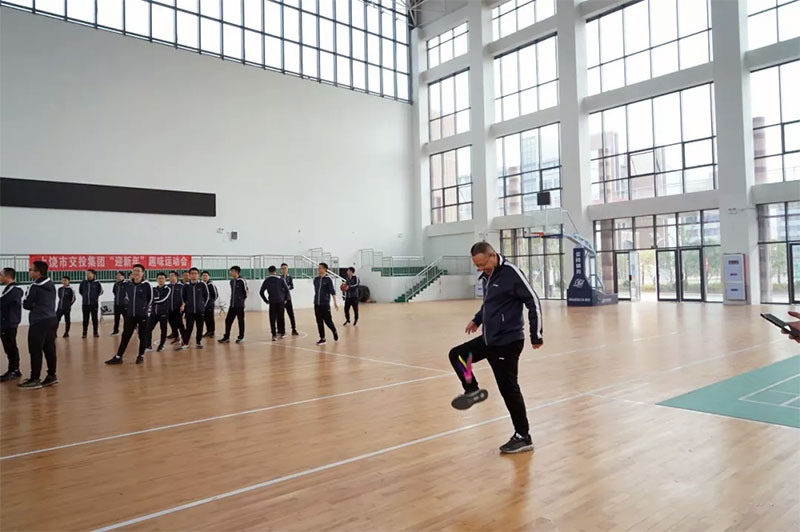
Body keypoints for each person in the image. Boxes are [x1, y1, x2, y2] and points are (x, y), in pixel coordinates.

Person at [448, 242, 542, 455]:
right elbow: (491, 303)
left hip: (507, 342)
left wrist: (536, 334)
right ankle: (472, 390)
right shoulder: (488, 276)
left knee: (509, 389)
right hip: (490, 340)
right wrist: (477, 319)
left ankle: (523, 436)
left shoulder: (511, 273)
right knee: (458, 355)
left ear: (492, 255)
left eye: (482, 264)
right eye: (477, 266)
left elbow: (533, 301)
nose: (480, 269)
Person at [18, 261, 58, 389]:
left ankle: (35, 379)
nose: (29, 271)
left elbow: (26, 304)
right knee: (50, 348)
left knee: (35, 350)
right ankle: (52, 375)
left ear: (38, 272)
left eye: (31, 269)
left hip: (38, 321)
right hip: (52, 319)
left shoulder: (34, 287)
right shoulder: (51, 285)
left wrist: (33, 305)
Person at [106, 264, 153, 365]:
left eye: (138, 271)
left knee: (142, 336)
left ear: (142, 273)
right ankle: (118, 357)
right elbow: (126, 297)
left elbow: (151, 299)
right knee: (125, 336)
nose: (136, 273)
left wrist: (144, 308)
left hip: (142, 315)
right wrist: (128, 308)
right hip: (130, 315)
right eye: (134, 270)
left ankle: (140, 356)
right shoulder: (129, 285)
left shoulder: (146, 285)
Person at [0, 268, 23, 382]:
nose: (0, 277)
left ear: (8, 276)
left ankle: (14, 370)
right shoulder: (10, 289)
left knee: (10, 347)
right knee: (9, 346)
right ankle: (13, 370)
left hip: (9, 322)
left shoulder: (14, 289)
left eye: (1, 275)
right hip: (6, 322)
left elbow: (2, 302)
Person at [181, 267, 209, 350]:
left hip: (200, 311)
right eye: (192, 273)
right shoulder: (186, 286)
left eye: (195, 273)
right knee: (189, 327)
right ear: (189, 275)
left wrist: (202, 306)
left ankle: (198, 342)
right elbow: (183, 297)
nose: (194, 275)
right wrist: (186, 306)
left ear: (198, 275)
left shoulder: (202, 285)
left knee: (200, 327)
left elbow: (207, 297)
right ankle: (186, 343)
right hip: (189, 311)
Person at [260, 266, 290, 341]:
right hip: (280, 301)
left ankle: (274, 335)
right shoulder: (280, 279)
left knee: (272, 318)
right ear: (275, 271)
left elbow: (261, 292)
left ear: (269, 271)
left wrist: (266, 300)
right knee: (281, 317)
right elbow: (287, 290)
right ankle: (282, 332)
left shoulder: (267, 280)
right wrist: (285, 299)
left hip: (272, 301)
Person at [219, 266, 247, 344]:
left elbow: (246, 292)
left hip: (240, 305)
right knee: (228, 320)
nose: (231, 273)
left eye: (232, 271)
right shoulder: (231, 281)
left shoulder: (242, 281)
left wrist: (241, 301)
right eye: (230, 271)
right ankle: (226, 337)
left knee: (240, 321)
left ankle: (240, 337)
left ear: (236, 272)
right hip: (232, 305)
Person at [313, 263, 338, 345]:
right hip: (317, 304)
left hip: (325, 304)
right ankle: (322, 338)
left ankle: (334, 330)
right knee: (319, 322)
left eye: (320, 268)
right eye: (318, 267)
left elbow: (332, 292)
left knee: (328, 321)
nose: (318, 269)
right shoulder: (316, 279)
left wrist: (335, 303)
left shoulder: (328, 280)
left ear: (325, 269)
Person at [149, 273, 171, 352]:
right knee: (148, 329)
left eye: (162, 278)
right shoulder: (153, 289)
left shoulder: (167, 289)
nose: (161, 280)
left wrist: (153, 301)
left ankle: (161, 345)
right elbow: (149, 298)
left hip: (163, 313)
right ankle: (148, 345)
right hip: (153, 313)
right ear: (157, 279)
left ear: (165, 280)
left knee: (163, 330)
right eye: (159, 278)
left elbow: (163, 299)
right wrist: (152, 301)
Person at [79, 269, 103, 338]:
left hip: (94, 304)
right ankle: (84, 333)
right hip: (85, 304)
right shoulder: (83, 283)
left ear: (93, 274)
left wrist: (94, 297)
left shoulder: (97, 283)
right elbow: (81, 291)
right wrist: (85, 297)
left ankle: (95, 332)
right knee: (85, 319)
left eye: (89, 273)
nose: (88, 275)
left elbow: (100, 292)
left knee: (94, 318)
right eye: (87, 273)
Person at [166, 271, 186, 343]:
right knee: (171, 323)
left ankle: (184, 338)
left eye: (172, 275)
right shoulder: (167, 287)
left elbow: (185, 297)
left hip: (178, 308)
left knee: (179, 323)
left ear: (176, 277)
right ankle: (176, 336)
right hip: (169, 308)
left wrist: (183, 305)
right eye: (170, 276)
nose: (170, 277)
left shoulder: (181, 286)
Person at [280, 263, 299, 336]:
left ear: (287, 269)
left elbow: (292, 286)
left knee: (291, 314)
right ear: (281, 269)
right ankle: (282, 330)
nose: (284, 270)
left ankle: (294, 329)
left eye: (285, 268)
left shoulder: (289, 277)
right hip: (281, 299)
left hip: (288, 298)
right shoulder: (279, 278)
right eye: (282, 268)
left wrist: (287, 288)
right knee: (280, 315)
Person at [201, 271, 218, 339]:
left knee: (210, 318)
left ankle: (212, 332)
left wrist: (211, 302)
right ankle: (208, 331)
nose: (204, 277)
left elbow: (215, 295)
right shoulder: (202, 285)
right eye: (203, 276)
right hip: (203, 305)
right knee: (205, 319)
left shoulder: (211, 284)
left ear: (208, 277)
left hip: (210, 305)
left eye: (206, 275)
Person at [111, 271, 128, 335]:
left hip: (124, 305)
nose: (117, 276)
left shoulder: (127, 284)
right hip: (117, 304)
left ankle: (126, 331)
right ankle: (115, 330)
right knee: (116, 319)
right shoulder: (116, 284)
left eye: (119, 275)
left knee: (126, 319)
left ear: (123, 276)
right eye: (117, 275)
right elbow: (114, 292)